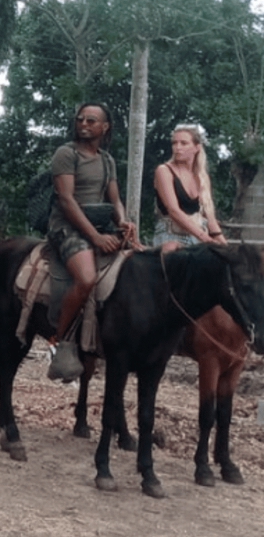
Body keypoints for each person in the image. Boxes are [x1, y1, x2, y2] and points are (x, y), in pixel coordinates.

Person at [45, 102, 138, 381]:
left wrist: (123, 222)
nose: (84, 124)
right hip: (67, 227)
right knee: (86, 278)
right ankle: (61, 342)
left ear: (105, 127)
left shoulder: (107, 160)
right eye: (80, 119)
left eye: (91, 120)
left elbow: (115, 199)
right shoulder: (66, 154)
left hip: (100, 224)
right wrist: (95, 237)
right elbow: (66, 199)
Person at [152, 123, 225, 248]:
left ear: (197, 148)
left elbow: (210, 219)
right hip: (171, 234)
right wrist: (205, 238)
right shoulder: (164, 171)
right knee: (172, 251)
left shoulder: (202, 177)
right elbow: (173, 211)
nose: (177, 147)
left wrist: (225, 247)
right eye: (174, 143)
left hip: (200, 234)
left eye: (183, 143)